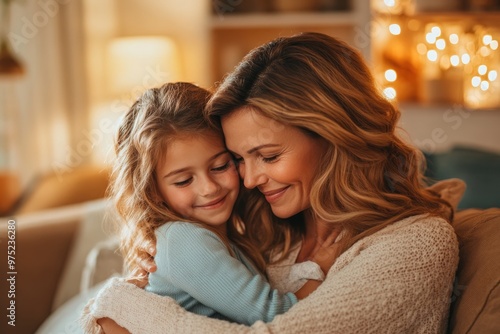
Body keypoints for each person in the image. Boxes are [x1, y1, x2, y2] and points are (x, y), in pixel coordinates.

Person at [82, 33, 459, 333]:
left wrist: (121, 307)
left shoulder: (416, 245)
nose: (248, 179)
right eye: (240, 159)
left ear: (334, 137)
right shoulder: (270, 230)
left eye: (269, 156)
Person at [83, 81, 339, 331]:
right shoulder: (185, 240)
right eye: (184, 181)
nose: (209, 188)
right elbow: (277, 315)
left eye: (220, 166)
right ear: (153, 191)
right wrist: (322, 264)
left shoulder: (222, 235)